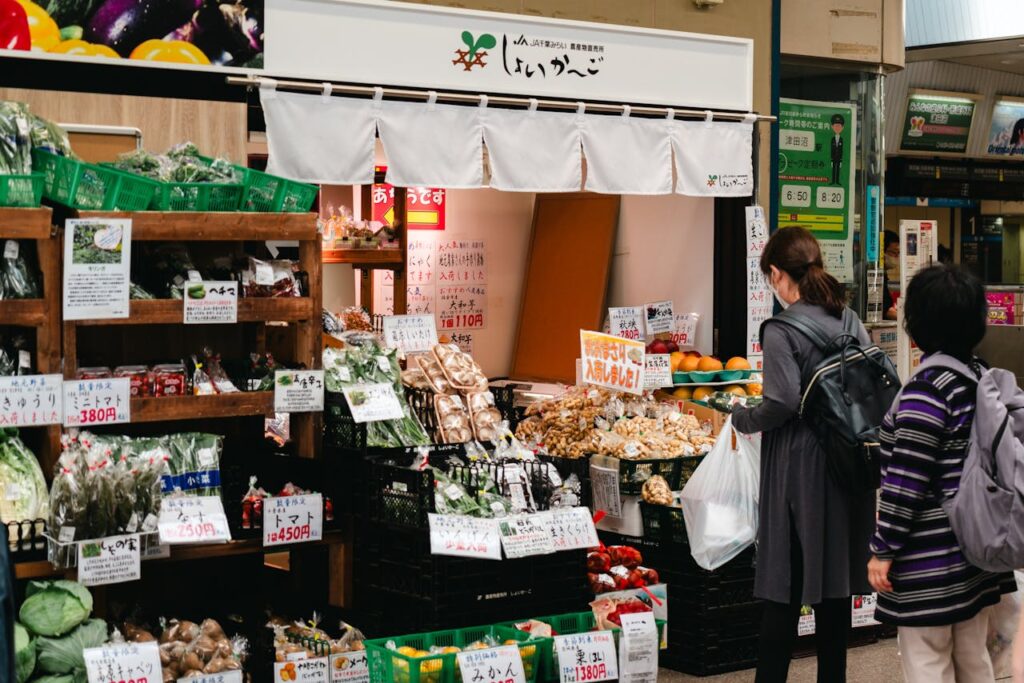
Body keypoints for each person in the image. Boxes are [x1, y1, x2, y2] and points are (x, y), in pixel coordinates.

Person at [732, 226, 875, 683]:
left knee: (784, 588)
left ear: (776, 274)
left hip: (798, 468)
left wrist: (742, 418)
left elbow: (781, 402)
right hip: (847, 462)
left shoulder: (780, 330)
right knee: (833, 590)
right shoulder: (849, 318)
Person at [868, 264, 1016, 683]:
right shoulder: (980, 378)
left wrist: (884, 549)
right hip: (976, 551)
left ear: (917, 326)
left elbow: (905, 482)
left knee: (927, 660)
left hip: (929, 561)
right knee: (974, 660)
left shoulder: (927, 389)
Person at [882, 230, 899, 320]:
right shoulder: (873, 274)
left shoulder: (883, 274)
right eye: (893, 252)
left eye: (898, 253)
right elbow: (884, 310)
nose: (896, 257)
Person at [830, 114, 845, 185]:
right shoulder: (832, 139)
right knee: (833, 170)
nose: (837, 128)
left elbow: (841, 150)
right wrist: (831, 160)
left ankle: (837, 181)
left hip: (839, 158)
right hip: (833, 158)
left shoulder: (841, 139)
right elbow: (831, 150)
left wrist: (841, 160)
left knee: (838, 170)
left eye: (839, 126)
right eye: (836, 126)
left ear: (842, 127)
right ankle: (833, 181)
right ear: (832, 127)